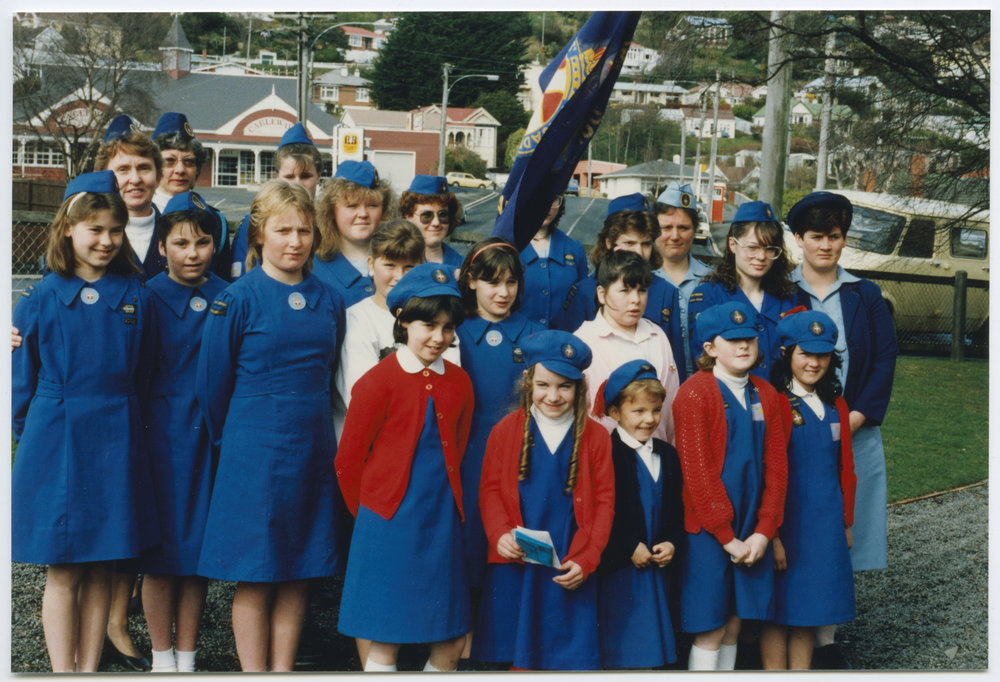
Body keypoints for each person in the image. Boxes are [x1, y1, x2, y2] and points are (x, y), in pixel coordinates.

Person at [196, 180, 347, 671]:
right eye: (283, 230)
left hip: (312, 448)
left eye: (304, 230)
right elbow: (212, 386)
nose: (295, 241)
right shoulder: (237, 299)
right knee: (258, 573)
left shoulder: (329, 299)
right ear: (260, 234)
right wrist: (240, 443)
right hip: (254, 450)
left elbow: (329, 375)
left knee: (300, 570)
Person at [11, 171, 159, 672]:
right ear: (68, 229)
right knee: (64, 568)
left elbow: (145, 373)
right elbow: (21, 385)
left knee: (101, 566)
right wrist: (35, 440)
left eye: (115, 230)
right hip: (58, 441)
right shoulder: (40, 298)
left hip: (117, 440)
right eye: (94, 229)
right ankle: (62, 671)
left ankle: (89, 669)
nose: (105, 240)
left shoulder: (136, 297)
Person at [336, 263, 473, 672]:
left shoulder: (460, 382)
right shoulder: (377, 382)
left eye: (448, 328)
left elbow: (458, 448)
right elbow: (348, 461)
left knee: (450, 638)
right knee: (384, 637)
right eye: (428, 325)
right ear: (403, 320)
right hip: (387, 524)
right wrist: (372, 516)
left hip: (441, 521)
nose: (438, 337)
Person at [785, 191, 898, 666]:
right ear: (799, 239)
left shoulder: (864, 294)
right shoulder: (783, 291)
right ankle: (785, 626)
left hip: (854, 430)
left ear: (844, 240)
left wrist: (854, 417)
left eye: (834, 236)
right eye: (816, 236)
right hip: (796, 433)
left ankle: (826, 640)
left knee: (842, 532)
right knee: (796, 528)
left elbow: (885, 359)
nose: (825, 245)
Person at [474, 331, 614, 670]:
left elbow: (605, 503)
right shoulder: (506, 430)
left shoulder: (595, 436)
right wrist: (499, 534)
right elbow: (490, 491)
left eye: (564, 386)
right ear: (528, 381)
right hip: (516, 562)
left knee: (567, 657)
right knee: (518, 657)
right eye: (543, 385)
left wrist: (587, 558)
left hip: (568, 562)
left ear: (579, 387)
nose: (553, 396)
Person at [137, 192, 228, 673]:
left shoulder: (228, 296)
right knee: (161, 554)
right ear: (162, 248)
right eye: (180, 243)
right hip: (162, 436)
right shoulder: (147, 297)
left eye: (202, 242)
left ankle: (188, 657)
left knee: (197, 552)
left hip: (209, 436)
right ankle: (161, 656)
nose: (192, 253)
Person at [672, 301, 788, 671]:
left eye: (749, 339)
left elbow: (777, 468)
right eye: (733, 339)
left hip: (752, 529)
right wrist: (726, 536)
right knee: (711, 625)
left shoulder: (765, 394)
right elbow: (698, 474)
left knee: (736, 622)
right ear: (709, 347)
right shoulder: (695, 393)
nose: (743, 346)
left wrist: (764, 531)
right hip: (709, 530)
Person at [760, 309, 857, 670]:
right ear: (786, 353)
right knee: (779, 610)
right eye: (805, 354)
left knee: (810, 609)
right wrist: (772, 535)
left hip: (825, 525)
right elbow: (767, 473)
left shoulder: (836, 404)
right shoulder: (775, 402)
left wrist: (846, 522)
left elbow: (846, 468)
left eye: (823, 355)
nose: (814, 363)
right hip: (788, 525)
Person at [456, 238, 545, 598]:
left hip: (518, 455)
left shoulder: (536, 334)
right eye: (492, 282)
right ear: (471, 281)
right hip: (468, 454)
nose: (504, 292)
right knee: (468, 541)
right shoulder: (455, 333)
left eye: (511, 282)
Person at [594, 360, 684, 670]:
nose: (649, 419)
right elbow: (602, 511)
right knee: (625, 646)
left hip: (659, 565)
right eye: (639, 411)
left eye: (656, 411)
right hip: (622, 567)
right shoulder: (607, 453)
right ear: (615, 412)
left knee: (656, 646)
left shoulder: (668, 454)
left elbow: (677, 509)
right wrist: (629, 545)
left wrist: (672, 542)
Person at [334, 219, 458, 438]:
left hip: (427, 437)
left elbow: (450, 387)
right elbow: (360, 399)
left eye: (409, 267)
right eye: (390, 265)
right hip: (375, 440)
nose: (399, 277)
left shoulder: (439, 319)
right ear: (371, 264)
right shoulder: (356, 319)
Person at [556, 194, 685, 378]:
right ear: (609, 243)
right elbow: (567, 358)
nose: (639, 252)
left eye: (646, 244)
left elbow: (675, 363)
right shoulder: (584, 291)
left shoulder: (667, 292)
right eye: (629, 243)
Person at [573, 249, 679, 443]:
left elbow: (672, 407)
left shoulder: (657, 336)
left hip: (658, 452)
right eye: (625, 290)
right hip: (606, 454)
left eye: (642, 290)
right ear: (602, 294)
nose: (635, 299)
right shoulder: (583, 341)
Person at [688, 200, 796, 381]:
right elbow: (703, 362)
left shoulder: (788, 297)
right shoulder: (708, 296)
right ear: (732, 244)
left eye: (770, 249)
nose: (761, 257)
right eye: (752, 247)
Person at [230, 122, 324, 278]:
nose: (297, 183)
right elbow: (243, 277)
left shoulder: (328, 221)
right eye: (289, 176)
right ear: (277, 177)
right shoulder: (255, 222)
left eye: (306, 176)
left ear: (318, 176)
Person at [151, 112, 232, 281]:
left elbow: (221, 282)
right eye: (170, 161)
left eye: (188, 162)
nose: (180, 170)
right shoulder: (140, 216)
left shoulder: (216, 220)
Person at [313, 160, 395, 308]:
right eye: (352, 205)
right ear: (331, 211)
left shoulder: (400, 261)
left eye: (372, 205)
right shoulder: (313, 268)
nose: (363, 214)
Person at [652, 181, 713, 378]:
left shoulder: (712, 281)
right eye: (666, 227)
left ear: (694, 230)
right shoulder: (642, 281)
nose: (675, 236)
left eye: (683, 227)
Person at [95, 114, 165, 280]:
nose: (135, 179)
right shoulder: (87, 237)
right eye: (123, 169)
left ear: (158, 176)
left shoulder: (175, 232)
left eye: (144, 168)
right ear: (104, 177)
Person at [519, 195, 588, 330]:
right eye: (538, 197)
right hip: (518, 341)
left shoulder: (575, 249)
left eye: (553, 199)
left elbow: (584, 301)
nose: (545, 205)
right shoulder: (505, 247)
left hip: (565, 340)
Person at [399, 175, 464, 268]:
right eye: (427, 215)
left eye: (443, 215)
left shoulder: (463, 267)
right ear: (408, 217)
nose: (436, 223)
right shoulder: (395, 261)